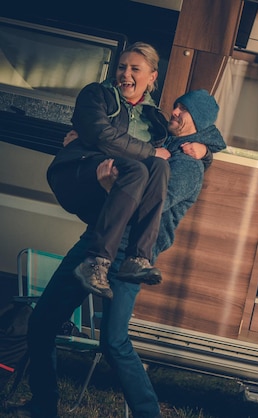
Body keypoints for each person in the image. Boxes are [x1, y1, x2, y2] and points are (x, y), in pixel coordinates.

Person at [16, 47, 225, 418]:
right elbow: (125, 139)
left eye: (182, 110)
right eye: (175, 106)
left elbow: (148, 201)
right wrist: (83, 143)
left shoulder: (186, 166)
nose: (173, 112)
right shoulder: (169, 145)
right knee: (65, 328)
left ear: (198, 121)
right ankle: (45, 407)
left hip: (125, 254)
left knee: (100, 339)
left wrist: (204, 152)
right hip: (106, 245)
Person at [47, 41, 175, 299]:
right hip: (79, 171)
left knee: (159, 167)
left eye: (134, 69)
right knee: (141, 169)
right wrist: (149, 152)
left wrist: (205, 151)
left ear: (152, 76)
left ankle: (137, 259)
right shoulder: (97, 94)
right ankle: (95, 263)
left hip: (114, 191)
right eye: (121, 67)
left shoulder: (155, 118)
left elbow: (180, 150)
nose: (125, 74)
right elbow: (102, 135)